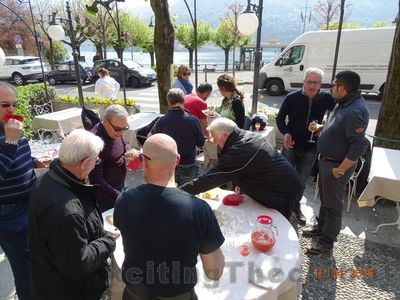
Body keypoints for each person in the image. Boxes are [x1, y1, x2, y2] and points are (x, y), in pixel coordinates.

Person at [114, 133, 224, 300]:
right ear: (178, 160)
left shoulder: (124, 201)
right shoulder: (199, 209)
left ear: (144, 161)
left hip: (134, 293)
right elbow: (214, 271)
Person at [28, 129, 117, 299]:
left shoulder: (47, 179)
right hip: (68, 291)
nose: (96, 164)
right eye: (95, 160)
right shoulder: (67, 209)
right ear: (84, 163)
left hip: (47, 280)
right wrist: (108, 239)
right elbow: (78, 265)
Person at [180, 118, 303, 220]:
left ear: (224, 135)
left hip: (281, 190)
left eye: (215, 138)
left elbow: (211, 178)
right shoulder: (245, 136)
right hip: (279, 183)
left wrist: (178, 193)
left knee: (274, 224)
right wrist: (241, 183)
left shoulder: (240, 150)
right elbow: (251, 167)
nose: (215, 143)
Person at [302, 70, 369, 255]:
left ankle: (326, 241)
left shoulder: (355, 110)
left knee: (333, 205)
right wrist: (322, 128)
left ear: (341, 88)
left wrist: (340, 170)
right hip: (327, 162)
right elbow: (341, 127)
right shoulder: (344, 102)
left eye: (332, 85)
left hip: (336, 165)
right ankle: (320, 229)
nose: (329, 88)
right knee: (325, 200)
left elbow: (358, 146)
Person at [276, 67, 335, 225]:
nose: (312, 86)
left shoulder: (327, 98)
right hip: (291, 144)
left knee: (301, 180)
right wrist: (286, 133)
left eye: (316, 82)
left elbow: (337, 118)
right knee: (285, 177)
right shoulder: (292, 97)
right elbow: (280, 119)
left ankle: (295, 207)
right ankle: (280, 207)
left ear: (321, 83)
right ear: (304, 81)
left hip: (312, 146)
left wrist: (323, 127)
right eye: (309, 82)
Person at [0, 81, 38, 300]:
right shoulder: (10, 134)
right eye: (6, 105)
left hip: (29, 203)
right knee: (25, 270)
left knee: (36, 262)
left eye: (14, 104)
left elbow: (15, 157)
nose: (12, 110)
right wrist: (11, 142)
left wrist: (34, 162)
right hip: (10, 213)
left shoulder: (11, 126)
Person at [153, 88, 205, 186]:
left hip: (168, 164)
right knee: (188, 194)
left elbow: (156, 143)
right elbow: (201, 143)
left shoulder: (161, 121)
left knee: (169, 194)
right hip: (188, 163)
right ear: (183, 100)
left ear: (169, 102)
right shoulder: (193, 120)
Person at [89, 104, 130, 212]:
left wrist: (128, 150)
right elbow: (96, 179)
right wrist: (119, 196)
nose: (121, 133)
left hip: (119, 186)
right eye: (117, 129)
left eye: (124, 128)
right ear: (105, 121)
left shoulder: (116, 130)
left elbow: (121, 144)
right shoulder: (95, 141)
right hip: (105, 196)